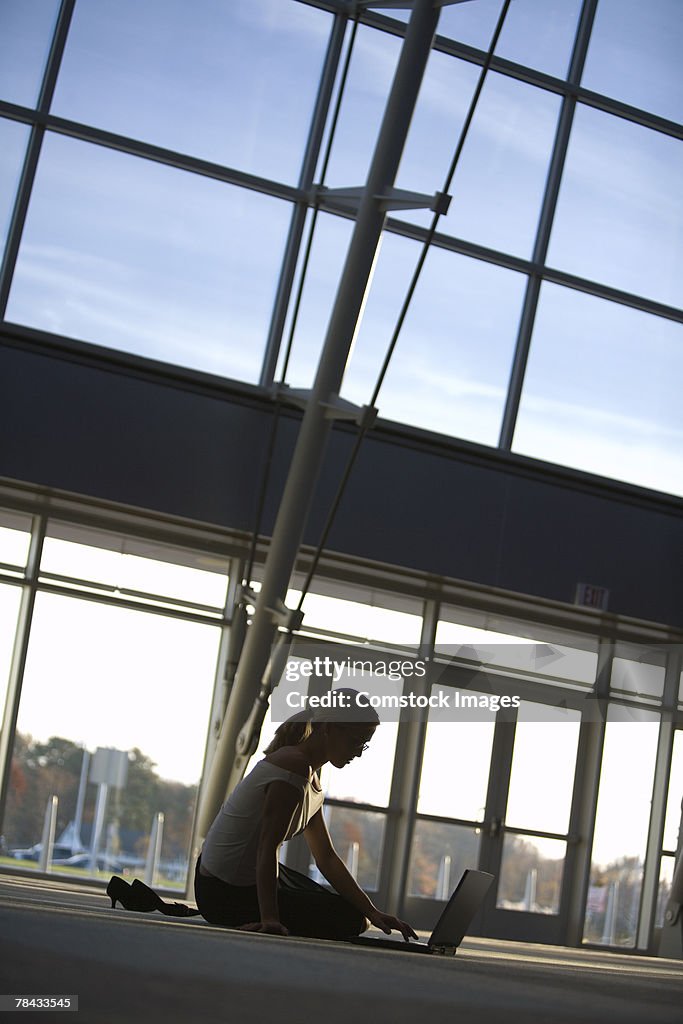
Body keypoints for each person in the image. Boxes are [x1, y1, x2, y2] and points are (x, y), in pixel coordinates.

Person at [194, 688, 417, 941]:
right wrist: (270, 920)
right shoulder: (293, 766)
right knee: (350, 920)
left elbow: (326, 856)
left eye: (364, 744)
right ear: (329, 728)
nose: (358, 751)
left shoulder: (311, 777)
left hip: (234, 876)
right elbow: (266, 847)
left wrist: (373, 911)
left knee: (359, 914)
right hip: (222, 891)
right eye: (355, 740)